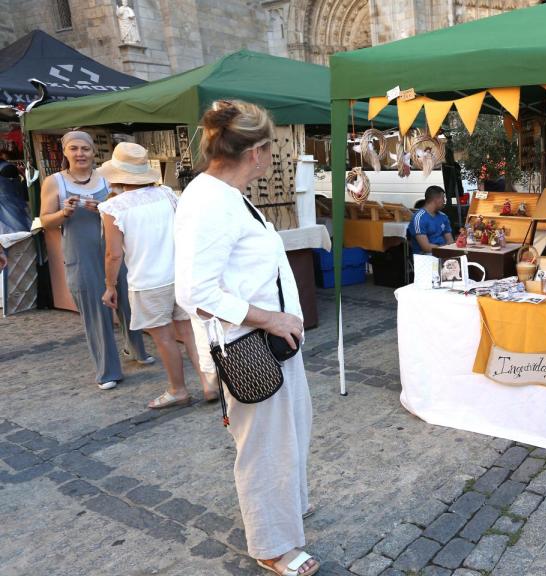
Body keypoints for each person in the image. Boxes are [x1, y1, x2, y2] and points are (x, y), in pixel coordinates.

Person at [174, 100, 318, 576]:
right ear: (255, 152)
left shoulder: (228, 194)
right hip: (249, 345)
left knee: (290, 431)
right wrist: (268, 319)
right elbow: (194, 291)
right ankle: (272, 544)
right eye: (270, 146)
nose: (271, 154)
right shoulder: (208, 200)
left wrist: (281, 322)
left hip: (274, 340)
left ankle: (286, 513)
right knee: (264, 447)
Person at [97, 142, 218, 408]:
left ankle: (178, 389)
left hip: (147, 282)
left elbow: (113, 254)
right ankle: (208, 382)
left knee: (164, 338)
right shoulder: (166, 194)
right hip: (179, 273)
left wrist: (109, 285)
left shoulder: (113, 208)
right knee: (189, 332)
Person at [39, 131, 150, 390]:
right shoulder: (54, 182)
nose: (80, 154)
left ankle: (136, 350)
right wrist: (63, 213)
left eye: (85, 149)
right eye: (74, 148)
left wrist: (101, 207)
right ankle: (108, 370)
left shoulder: (107, 177)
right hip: (80, 253)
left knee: (127, 300)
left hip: (114, 248)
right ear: (65, 152)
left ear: (93, 152)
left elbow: (126, 208)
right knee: (95, 311)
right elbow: (45, 220)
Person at [407, 186, 453, 254]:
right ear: (436, 199)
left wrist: (449, 250)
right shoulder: (419, 218)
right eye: (443, 198)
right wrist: (445, 249)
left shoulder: (444, 216)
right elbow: (426, 248)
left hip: (443, 252)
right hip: (425, 256)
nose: (444, 201)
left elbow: (450, 242)